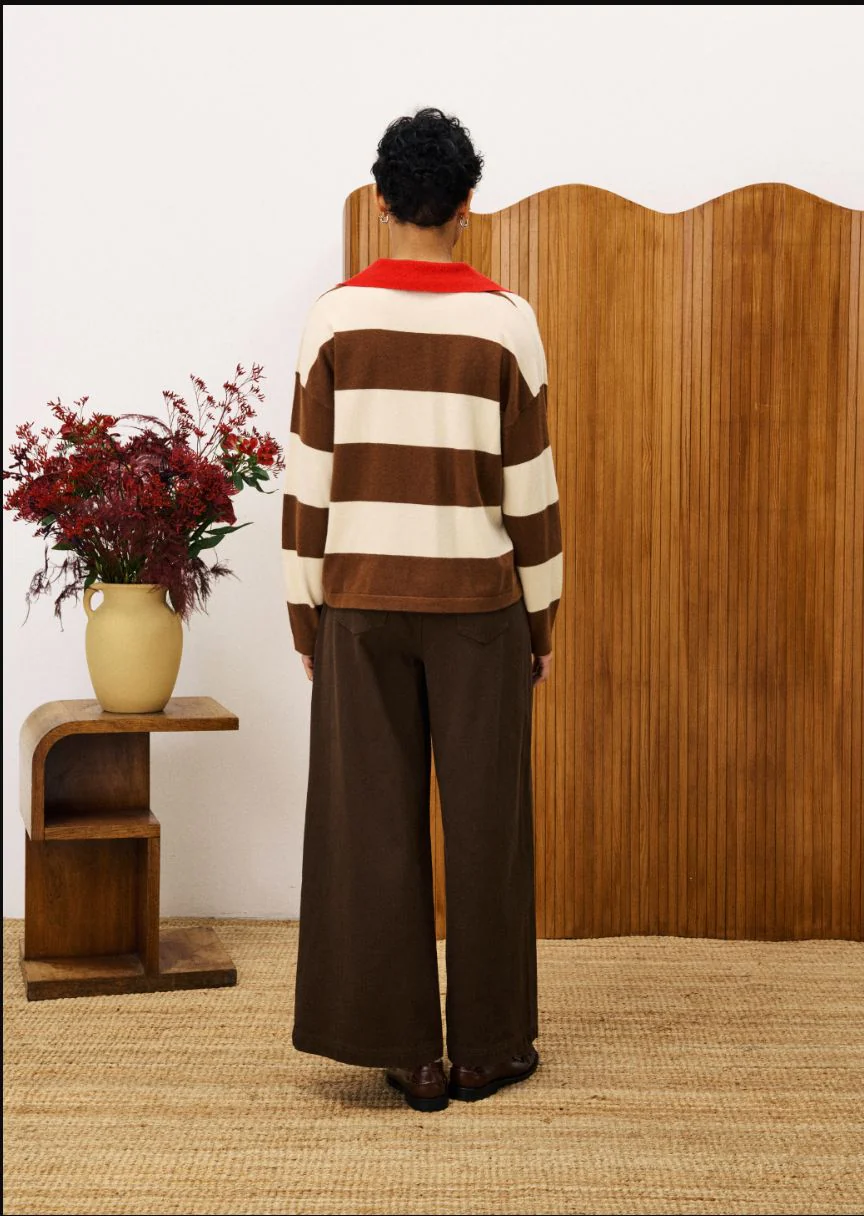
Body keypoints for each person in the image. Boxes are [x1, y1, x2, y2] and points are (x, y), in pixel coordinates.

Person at [282, 108, 562, 1112]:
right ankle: (487, 1047)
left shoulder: (334, 320)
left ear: (382, 199)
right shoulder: (508, 322)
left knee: (371, 825)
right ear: (466, 205)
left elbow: (307, 486)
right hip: (480, 606)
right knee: (488, 826)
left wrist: (307, 620)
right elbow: (531, 491)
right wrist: (541, 622)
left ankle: (408, 1052)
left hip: (360, 607)